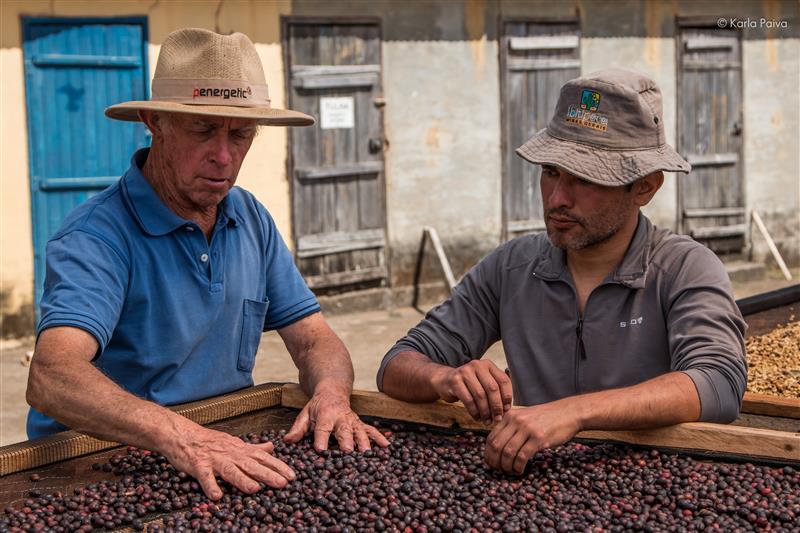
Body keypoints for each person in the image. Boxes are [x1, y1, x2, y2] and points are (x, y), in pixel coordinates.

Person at [26, 28, 388, 501]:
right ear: (155, 122)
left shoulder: (249, 216)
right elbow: (53, 376)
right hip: (102, 466)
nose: (223, 156)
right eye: (202, 129)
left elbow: (315, 338)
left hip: (222, 448)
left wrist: (332, 394)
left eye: (240, 135)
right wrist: (184, 437)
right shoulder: (97, 236)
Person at [378, 68, 747, 475]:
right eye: (550, 172)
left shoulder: (684, 268)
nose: (557, 199)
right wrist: (443, 379)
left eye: (584, 179)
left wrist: (574, 413)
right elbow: (395, 365)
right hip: (537, 481)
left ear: (644, 186)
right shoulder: (512, 267)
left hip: (653, 484)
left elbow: (718, 383)